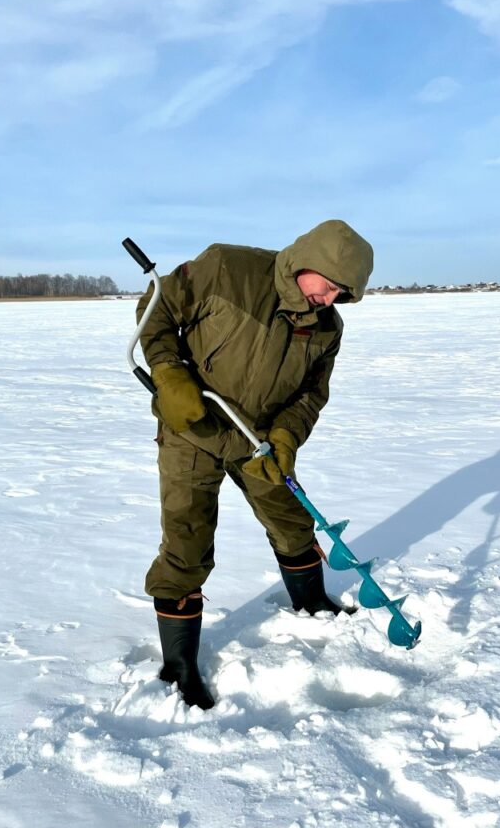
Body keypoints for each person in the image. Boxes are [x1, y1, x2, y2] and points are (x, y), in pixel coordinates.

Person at [136, 219, 374, 709]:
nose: (329, 299)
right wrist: (168, 371)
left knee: (291, 518)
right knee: (187, 541)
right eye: (328, 286)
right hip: (193, 428)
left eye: (340, 294)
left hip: (258, 442)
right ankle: (179, 665)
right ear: (311, 262)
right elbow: (156, 310)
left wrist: (287, 436)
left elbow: (311, 395)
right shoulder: (229, 268)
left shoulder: (327, 328)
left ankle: (310, 601)